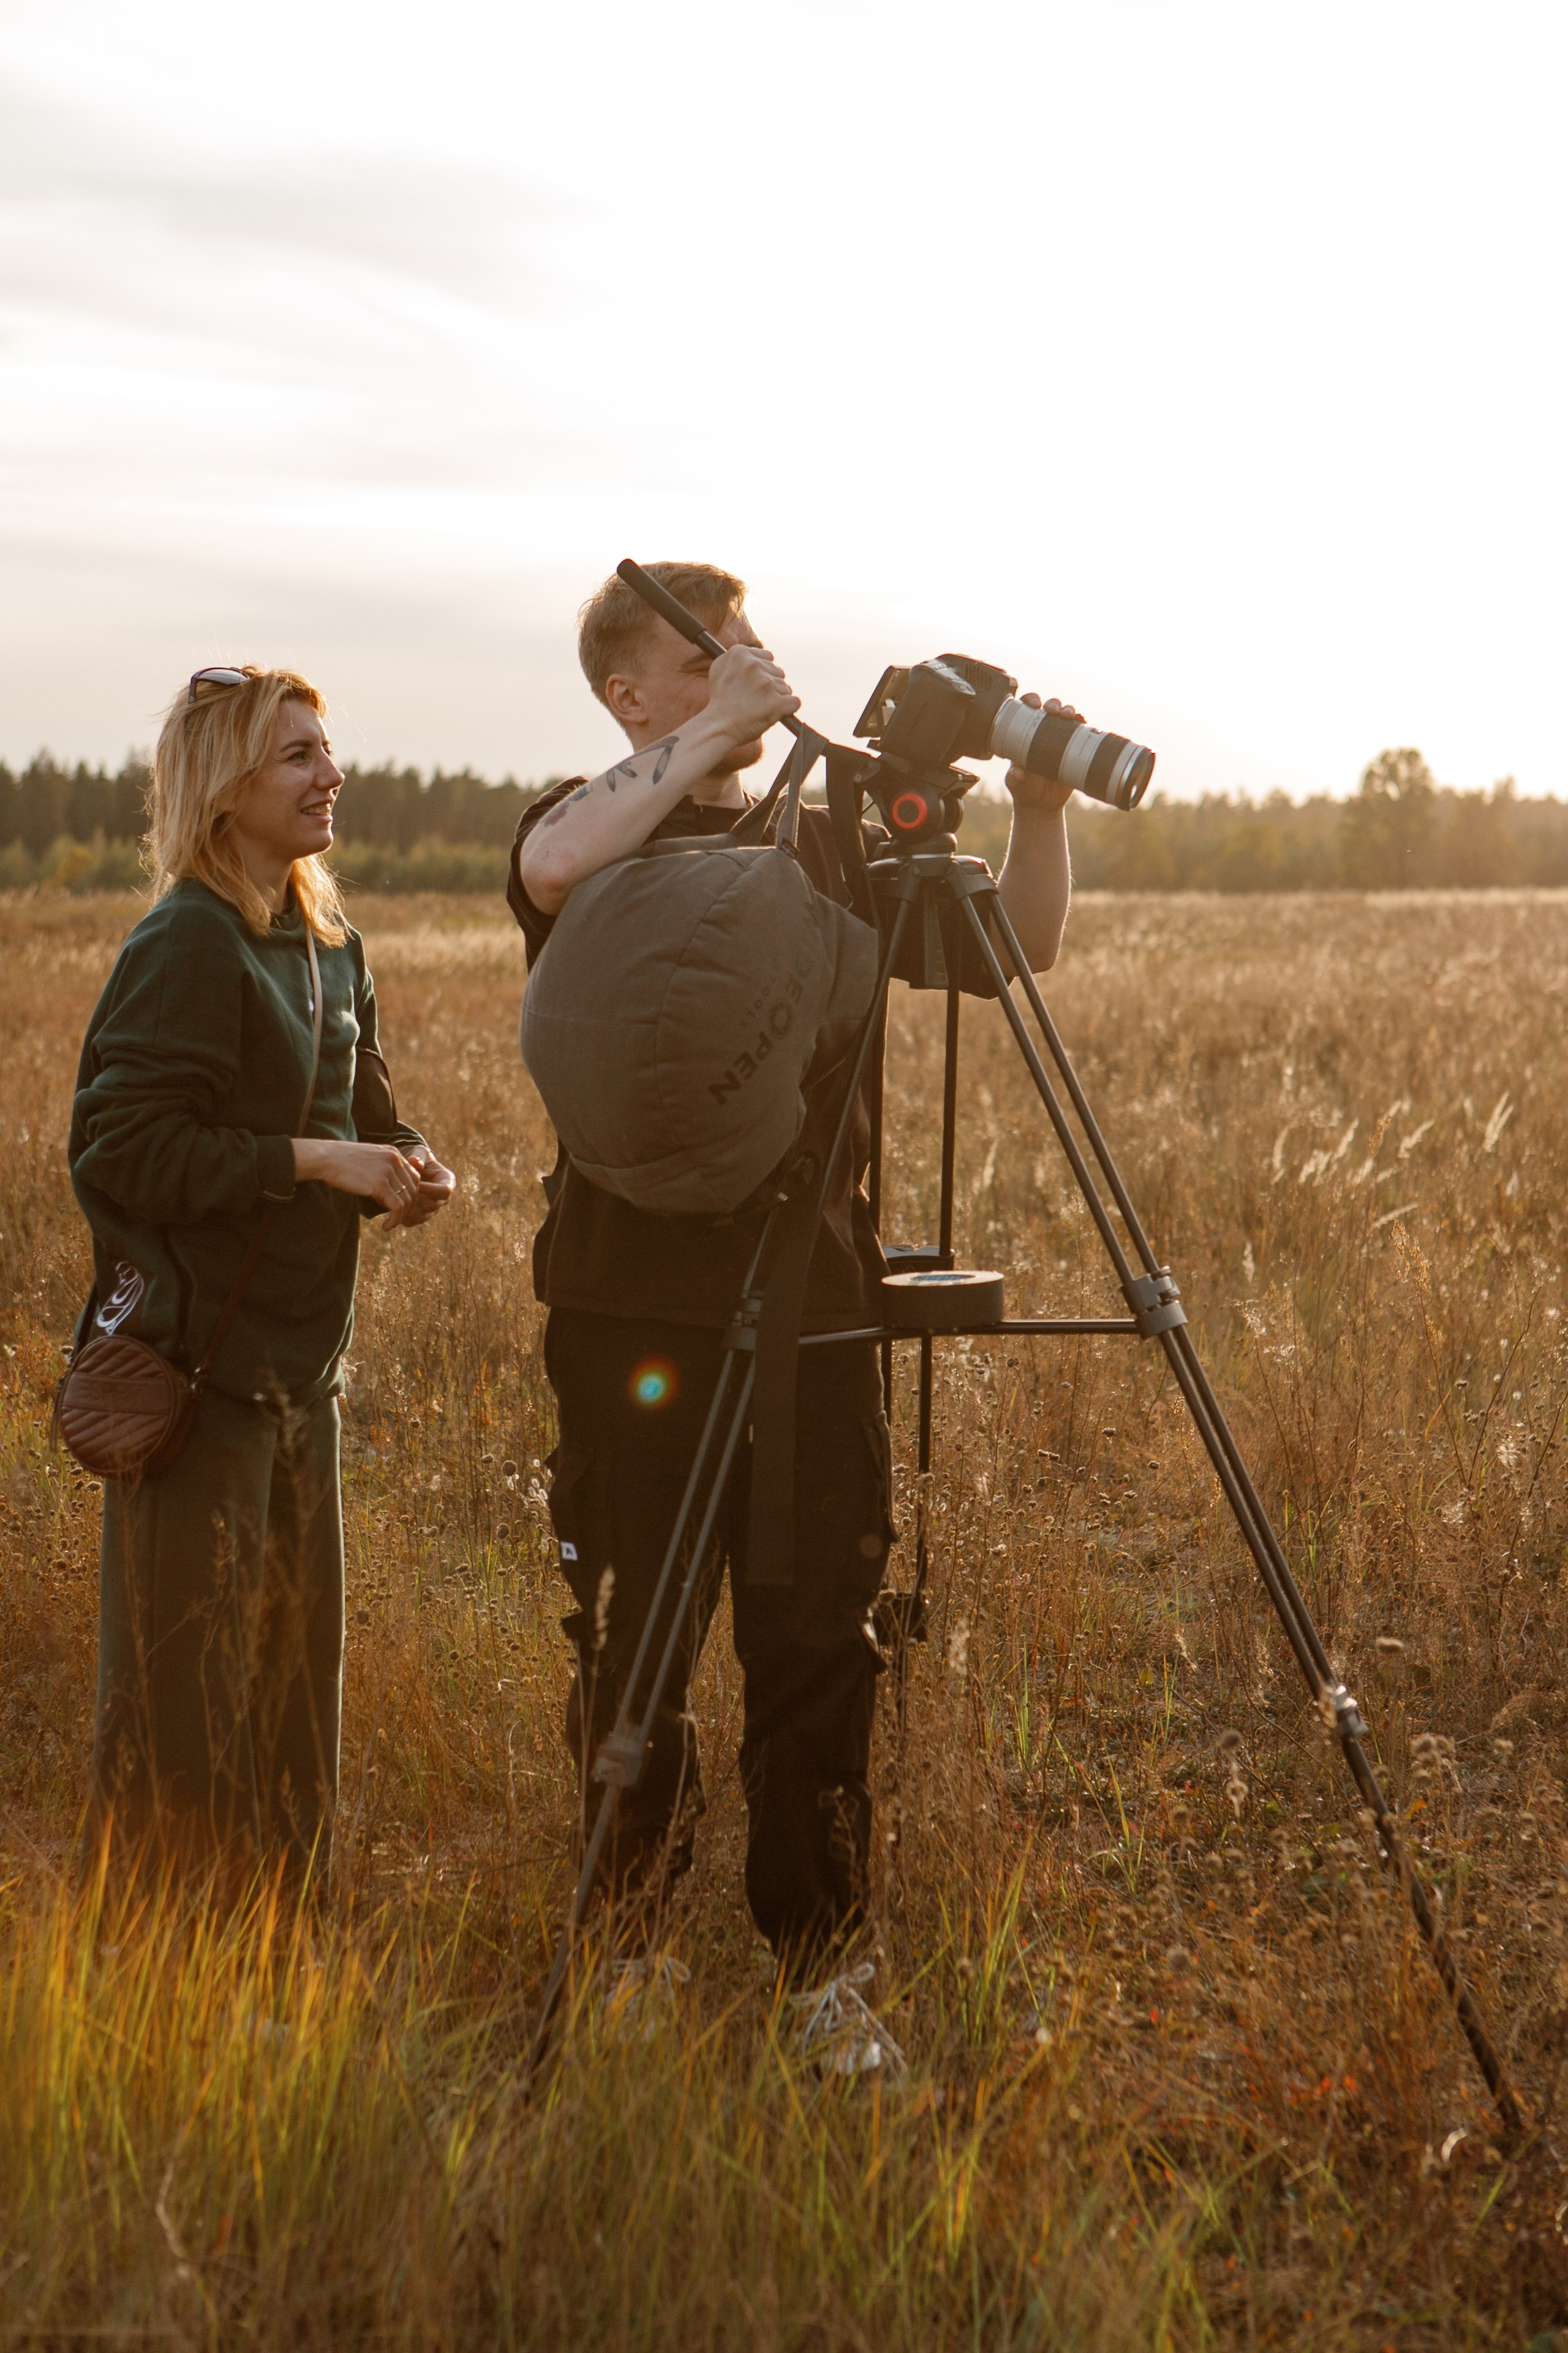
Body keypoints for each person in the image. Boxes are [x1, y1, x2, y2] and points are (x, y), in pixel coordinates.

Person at [508, 564, 1074, 2012]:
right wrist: (709, 742)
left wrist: (1041, 813)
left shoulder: (830, 842)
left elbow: (1013, 951)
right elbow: (551, 876)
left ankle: (822, 1968)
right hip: (632, 1308)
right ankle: (626, 1943)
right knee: (634, 1632)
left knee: (819, 1635)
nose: (752, 674)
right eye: (710, 661)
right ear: (629, 696)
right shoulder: (589, 832)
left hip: (815, 1305)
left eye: (755, 648)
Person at [69, 664, 455, 1887]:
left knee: (295, 1699)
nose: (329, 775)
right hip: (198, 1383)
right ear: (225, 786)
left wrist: (405, 1166)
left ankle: (280, 1960)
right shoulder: (188, 938)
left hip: (306, 1380)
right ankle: (150, 1981)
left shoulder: (330, 942)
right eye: (296, 755)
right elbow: (120, 1151)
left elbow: (370, 1120)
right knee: (180, 1705)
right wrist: (313, 1160)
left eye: (324, 751)